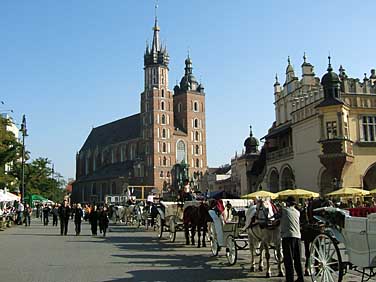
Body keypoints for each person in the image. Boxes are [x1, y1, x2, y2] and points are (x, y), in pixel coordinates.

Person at [280, 196, 304, 282]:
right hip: (297, 237)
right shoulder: (297, 212)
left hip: (287, 237)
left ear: (287, 203)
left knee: (288, 260)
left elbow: (275, 218)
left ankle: (290, 280)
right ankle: (301, 278)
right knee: (297, 260)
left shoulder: (283, 210)